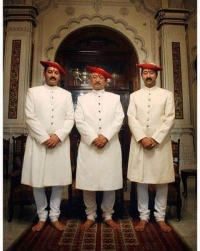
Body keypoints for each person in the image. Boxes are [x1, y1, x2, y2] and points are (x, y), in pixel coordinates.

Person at [21, 61, 74, 232]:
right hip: (38, 143)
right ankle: (42, 216)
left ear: (60, 76)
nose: (53, 75)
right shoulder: (33, 92)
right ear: (44, 74)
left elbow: (70, 119)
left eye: (56, 73)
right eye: (50, 72)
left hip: (59, 143)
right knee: (38, 181)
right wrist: (44, 137)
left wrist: (58, 136)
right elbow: (30, 117)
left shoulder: (66, 95)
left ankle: (54, 216)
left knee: (58, 181)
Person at [75, 66, 124, 231]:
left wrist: (106, 136)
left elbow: (119, 119)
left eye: (101, 77)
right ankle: (90, 215)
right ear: (90, 80)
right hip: (89, 146)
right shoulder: (82, 100)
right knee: (88, 181)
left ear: (106, 81)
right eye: (94, 77)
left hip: (110, 145)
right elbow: (79, 121)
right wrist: (93, 138)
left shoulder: (115, 98)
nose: (97, 80)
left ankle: (108, 215)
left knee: (109, 181)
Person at [127, 62, 175, 232]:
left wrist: (154, 139)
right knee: (142, 180)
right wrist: (142, 138)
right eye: (145, 73)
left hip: (160, 145)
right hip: (140, 144)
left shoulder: (167, 95)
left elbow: (170, 118)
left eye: (151, 73)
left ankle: (160, 217)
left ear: (156, 75)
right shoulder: (134, 96)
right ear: (141, 75)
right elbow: (131, 118)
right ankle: (143, 217)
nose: (148, 75)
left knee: (162, 180)